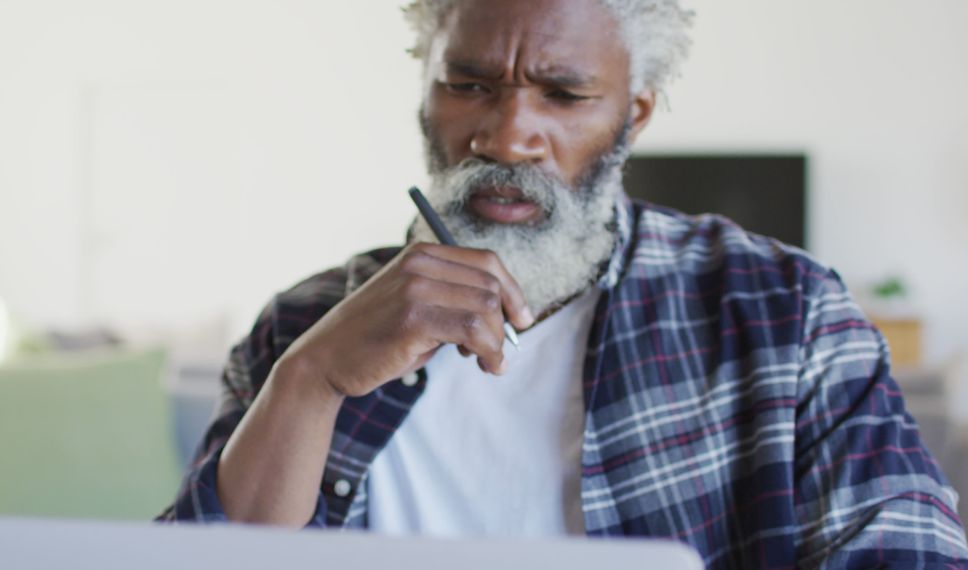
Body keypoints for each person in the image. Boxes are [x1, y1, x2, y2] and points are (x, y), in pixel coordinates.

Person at [159, 0, 968, 566]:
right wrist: (309, 380)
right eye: (468, 85)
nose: (509, 136)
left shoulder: (786, 317)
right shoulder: (302, 324)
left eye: (565, 94)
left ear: (634, 115)